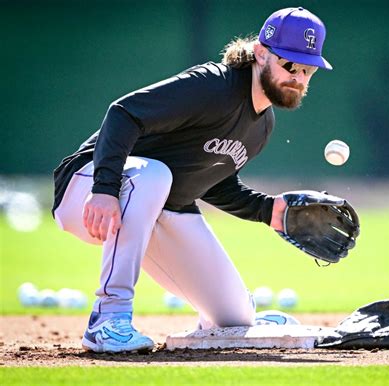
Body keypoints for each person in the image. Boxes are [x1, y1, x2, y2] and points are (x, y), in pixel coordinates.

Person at [52, 7, 334, 353]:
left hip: (155, 206)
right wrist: (105, 190)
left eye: (308, 70)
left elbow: (213, 181)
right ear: (261, 54)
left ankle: (232, 319)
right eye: (290, 65)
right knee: (155, 175)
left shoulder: (262, 126)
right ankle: (108, 319)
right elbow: (123, 113)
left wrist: (269, 210)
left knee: (235, 319)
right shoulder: (214, 86)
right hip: (87, 185)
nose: (299, 77)